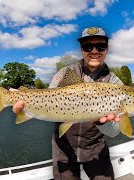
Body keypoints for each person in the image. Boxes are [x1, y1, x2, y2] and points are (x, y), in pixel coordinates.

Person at [13, 27, 123, 180]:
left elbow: (114, 131)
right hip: (63, 148)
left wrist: (100, 121)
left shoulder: (115, 83)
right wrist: (25, 110)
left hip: (95, 148)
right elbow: (49, 102)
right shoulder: (64, 73)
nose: (94, 51)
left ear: (107, 49)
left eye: (100, 46)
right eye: (88, 47)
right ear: (82, 50)